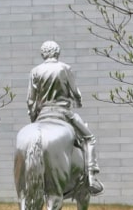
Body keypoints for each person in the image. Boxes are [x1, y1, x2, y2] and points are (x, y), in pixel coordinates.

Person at [26, 40, 104, 194]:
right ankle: (91, 177)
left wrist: (34, 117)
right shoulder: (65, 68)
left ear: (43, 54)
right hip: (63, 113)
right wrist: (78, 101)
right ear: (57, 52)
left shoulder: (35, 71)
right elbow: (75, 92)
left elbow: (30, 100)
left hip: (43, 114)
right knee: (89, 138)